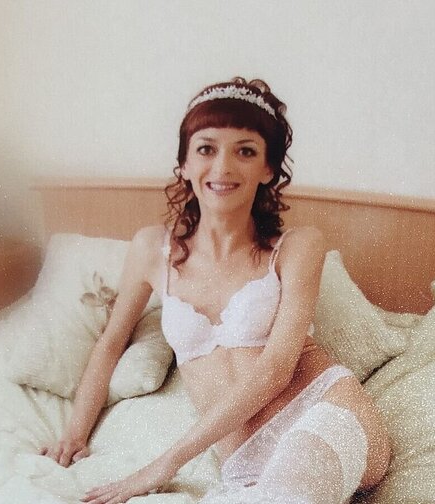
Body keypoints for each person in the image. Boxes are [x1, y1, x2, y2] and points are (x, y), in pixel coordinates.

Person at [40, 77, 392, 504]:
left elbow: (277, 368)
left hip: (323, 412)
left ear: (267, 169)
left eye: (245, 151)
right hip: (244, 460)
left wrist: (163, 465)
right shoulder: (151, 250)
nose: (223, 167)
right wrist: (74, 435)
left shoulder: (298, 247)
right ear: (184, 164)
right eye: (207, 149)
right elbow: (111, 342)